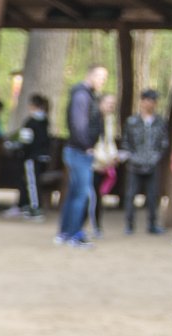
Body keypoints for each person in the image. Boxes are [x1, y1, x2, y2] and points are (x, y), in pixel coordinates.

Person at [58, 64, 109, 247]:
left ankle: (65, 232)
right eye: (101, 77)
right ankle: (73, 234)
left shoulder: (85, 95)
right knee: (82, 195)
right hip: (79, 151)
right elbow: (78, 124)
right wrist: (87, 145)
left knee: (74, 194)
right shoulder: (82, 96)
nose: (103, 82)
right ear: (91, 75)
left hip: (76, 150)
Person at [123, 88, 168, 234]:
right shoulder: (132, 122)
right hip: (134, 164)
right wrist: (132, 157)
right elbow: (126, 143)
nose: (150, 104)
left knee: (153, 195)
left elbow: (164, 143)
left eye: (153, 101)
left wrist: (156, 157)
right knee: (131, 194)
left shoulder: (160, 122)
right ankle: (129, 224)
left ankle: (152, 224)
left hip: (153, 164)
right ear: (142, 102)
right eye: (148, 100)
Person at [4, 92, 52, 220]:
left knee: (32, 182)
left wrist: (16, 146)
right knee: (30, 181)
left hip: (32, 156)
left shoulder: (32, 122)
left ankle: (35, 208)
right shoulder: (45, 121)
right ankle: (24, 204)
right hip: (41, 156)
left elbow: (25, 140)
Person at [91, 92, 120, 236]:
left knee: (98, 195)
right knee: (90, 196)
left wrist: (113, 156)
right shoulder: (92, 119)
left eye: (113, 104)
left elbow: (109, 141)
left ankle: (96, 225)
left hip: (104, 165)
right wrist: (104, 159)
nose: (111, 106)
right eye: (109, 103)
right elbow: (92, 144)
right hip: (93, 164)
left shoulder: (109, 120)